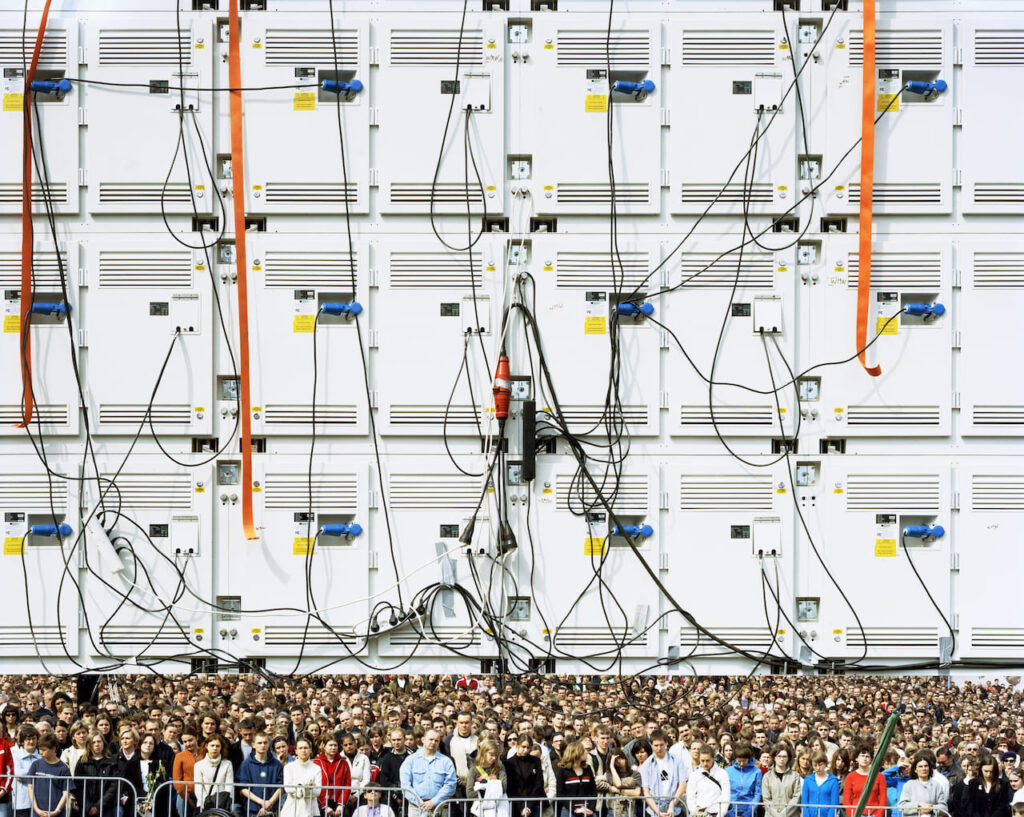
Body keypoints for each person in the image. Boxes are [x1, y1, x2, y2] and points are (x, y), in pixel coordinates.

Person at [399, 729, 456, 817]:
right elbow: (405, 785)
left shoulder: (446, 761)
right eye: (430, 739)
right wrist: (421, 803)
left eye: (436, 740)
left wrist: (434, 801)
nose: (433, 742)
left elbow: (451, 785)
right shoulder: (410, 760)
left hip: (439, 807)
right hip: (416, 809)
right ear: (423, 740)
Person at [640, 731, 687, 817]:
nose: (659, 748)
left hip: (675, 806)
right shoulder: (646, 765)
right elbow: (646, 792)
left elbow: (682, 785)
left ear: (666, 743)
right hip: (654, 808)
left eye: (661, 745)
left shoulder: (677, 761)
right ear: (651, 745)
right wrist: (657, 811)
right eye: (656, 745)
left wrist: (672, 805)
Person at [237, 732, 284, 817]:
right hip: (251, 810)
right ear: (253, 745)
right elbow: (243, 788)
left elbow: (281, 787)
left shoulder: (277, 764)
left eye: (265, 742)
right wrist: (261, 802)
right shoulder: (246, 764)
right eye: (259, 743)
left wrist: (269, 803)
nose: (263, 745)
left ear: (269, 744)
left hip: (272, 809)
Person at [27, 734, 74, 817]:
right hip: (37, 812)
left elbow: (66, 793)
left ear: (53, 749)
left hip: (57, 813)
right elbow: (30, 788)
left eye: (44, 750)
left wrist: (56, 811)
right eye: (39, 749)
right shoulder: (35, 765)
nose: (40, 752)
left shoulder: (63, 768)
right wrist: (36, 809)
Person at [842, 741, 887, 817]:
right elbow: (846, 800)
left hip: (874, 814)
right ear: (856, 758)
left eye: (867, 756)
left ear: (871, 759)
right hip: (856, 814)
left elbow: (883, 800)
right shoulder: (850, 777)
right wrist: (853, 815)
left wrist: (878, 815)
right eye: (862, 756)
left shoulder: (879, 776)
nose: (865, 759)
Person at [897, 752, 949, 817]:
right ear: (915, 770)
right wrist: (918, 805)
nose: (923, 769)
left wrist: (931, 808)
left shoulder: (936, 785)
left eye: (926, 766)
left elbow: (944, 807)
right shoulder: (909, 785)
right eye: (920, 766)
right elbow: (902, 806)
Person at [504, 736, 545, 817]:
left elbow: (539, 784)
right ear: (517, 745)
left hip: (533, 805)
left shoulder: (536, 761)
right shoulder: (508, 763)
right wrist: (521, 807)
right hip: (515, 805)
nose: (526, 750)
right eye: (523, 747)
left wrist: (529, 806)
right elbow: (510, 787)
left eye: (528, 748)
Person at [281, 738, 322, 817]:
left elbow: (317, 792)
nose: (303, 750)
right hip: (291, 810)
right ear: (296, 751)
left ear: (310, 749)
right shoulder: (288, 767)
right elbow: (288, 788)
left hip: (311, 810)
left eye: (306, 748)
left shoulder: (316, 768)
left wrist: (298, 786)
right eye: (300, 748)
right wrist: (307, 787)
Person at [686, 744, 730, 817]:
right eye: (702, 761)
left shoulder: (722, 773)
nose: (705, 763)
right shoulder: (694, 775)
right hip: (700, 813)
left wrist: (721, 814)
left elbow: (726, 796)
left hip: (717, 813)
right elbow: (690, 797)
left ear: (713, 758)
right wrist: (695, 812)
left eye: (707, 760)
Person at [193, 736, 234, 812]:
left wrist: (224, 801)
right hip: (204, 805)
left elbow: (229, 786)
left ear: (221, 747)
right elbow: (198, 787)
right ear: (206, 746)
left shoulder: (227, 764)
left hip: (222, 805)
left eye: (217, 746)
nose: (215, 748)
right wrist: (206, 802)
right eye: (212, 745)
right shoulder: (198, 765)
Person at [556, 742, 597, 817]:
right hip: (569, 812)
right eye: (583, 750)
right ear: (576, 753)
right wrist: (575, 809)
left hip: (588, 812)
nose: (586, 752)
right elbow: (560, 794)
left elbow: (593, 791)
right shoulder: (563, 770)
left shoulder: (587, 768)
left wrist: (590, 809)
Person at [469, 739, 507, 817]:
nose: (494, 758)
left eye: (496, 755)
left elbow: (504, 787)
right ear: (484, 753)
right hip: (480, 811)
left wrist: (484, 790)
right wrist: (493, 790)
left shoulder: (500, 767)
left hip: (498, 809)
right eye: (491, 755)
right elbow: (469, 792)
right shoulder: (474, 769)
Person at [315, 736, 351, 817]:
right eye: (330, 745)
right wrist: (324, 806)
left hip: (339, 802)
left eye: (335, 745)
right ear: (324, 746)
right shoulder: (317, 762)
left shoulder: (343, 762)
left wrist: (341, 805)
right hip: (321, 803)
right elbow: (315, 786)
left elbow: (347, 784)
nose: (333, 748)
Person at [763, 743, 802, 817]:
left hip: (791, 815)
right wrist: (777, 815)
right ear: (774, 757)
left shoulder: (795, 776)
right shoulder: (767, 776)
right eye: (779, 756)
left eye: (784, 756)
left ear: (788, 758)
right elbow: (766, 799)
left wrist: (784, 814)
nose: (781, 759)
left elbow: (796, 797)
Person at [12, 725, 42, 817]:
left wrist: (30, 775)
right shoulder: (15, 755)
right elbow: (19, 774)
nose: (31, 742)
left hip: (40, 801)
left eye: (34, 738)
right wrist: (38, 774)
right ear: (22, 741)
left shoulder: (42, 756)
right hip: (21, 802)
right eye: (28, 739)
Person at [726, 743, 761, 817]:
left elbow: (757, 794)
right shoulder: (728, 771)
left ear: (749, 759)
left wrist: (748, 813)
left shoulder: (757, 772)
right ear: (735, 758)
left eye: (744, 761)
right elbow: (726, 792)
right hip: (732, 810)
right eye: (739, 761)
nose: (741, 763)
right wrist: (730, 813)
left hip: (750, 810)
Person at [801, 752, 840, 817]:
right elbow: (804, 802)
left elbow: (834, 804)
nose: (818, 768)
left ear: (825, 764)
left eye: (820, 765)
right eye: (815, 765)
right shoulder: (808, 780)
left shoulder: (833, 781)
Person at [605, 750, 641, 817]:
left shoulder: (635, 774)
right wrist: (611, 766)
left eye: (621, 757)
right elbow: (618, 784)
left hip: (630, 810)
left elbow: (637, 793)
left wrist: (618, 790)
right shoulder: (610, 774)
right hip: (614, 811)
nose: (619, 761)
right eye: (615, 760)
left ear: (625, 757)